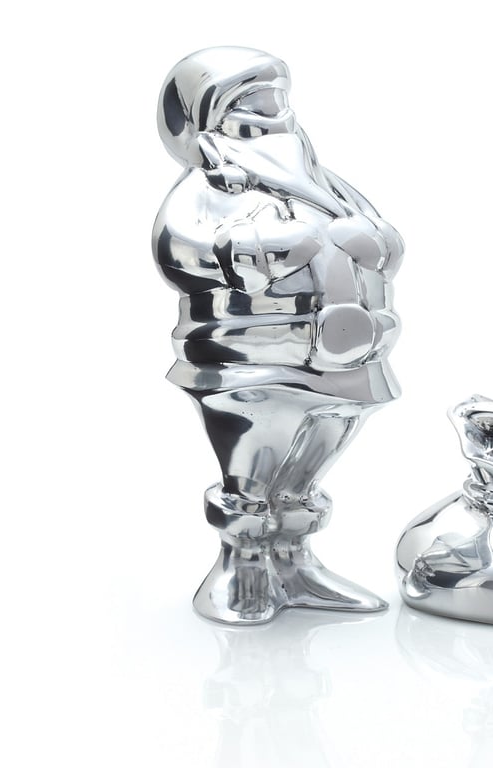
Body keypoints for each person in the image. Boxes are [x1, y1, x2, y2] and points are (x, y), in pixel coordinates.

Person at [153, 47, 403, 623]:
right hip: (248, 358)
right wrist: (257, 248)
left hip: (344, 359)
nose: (273, 108)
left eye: (277, 95)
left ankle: (292, 562)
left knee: (308, 466)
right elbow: (177, 250)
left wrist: (374, 242)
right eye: (254, 98)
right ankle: (241, 568)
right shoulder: (206, 186)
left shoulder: (324, 182)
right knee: (252, 468)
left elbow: (380, 238)